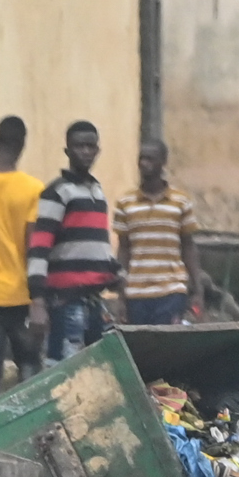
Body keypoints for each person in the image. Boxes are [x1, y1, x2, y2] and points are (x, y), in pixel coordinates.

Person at [30, 120, 114, 361]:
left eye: (90, 146)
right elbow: (39, 247)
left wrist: (114, 274)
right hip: (65, 301)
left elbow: (98, 246)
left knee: (94, 367)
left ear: (97, 150)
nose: (85, 152)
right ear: (67, 151)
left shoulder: (97, 192)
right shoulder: (57, 192)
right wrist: (37, 300)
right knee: (66, 369)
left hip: (94, 300)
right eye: (79, 146)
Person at [116, 140, 200, 329]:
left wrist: (197, 290)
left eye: (150, 159)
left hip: (171, 290)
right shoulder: (125, 203)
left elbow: (188, 246)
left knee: (167, 344)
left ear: (163, 162)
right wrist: (121, 296)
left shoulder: (180, 202)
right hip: (136, 292)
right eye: (141, 159)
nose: (144, 163)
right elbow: (124, 249)